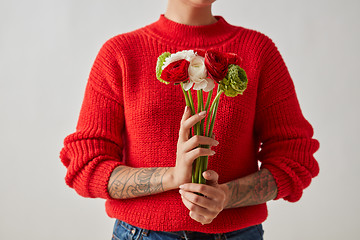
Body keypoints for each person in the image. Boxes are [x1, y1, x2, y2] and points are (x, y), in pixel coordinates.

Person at [59, 0, 320, 239]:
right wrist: (172, 177)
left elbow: (294, 159)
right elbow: (86, 165)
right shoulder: (120, 53)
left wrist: (225, 197)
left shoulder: (258, 51)